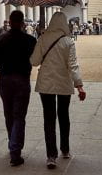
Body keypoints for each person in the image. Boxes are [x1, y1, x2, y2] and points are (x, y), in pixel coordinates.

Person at [30, 12, 84, 169]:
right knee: (63, 115)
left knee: (49, 118)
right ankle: (65, 149)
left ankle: (51, 156)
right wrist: (79, 85)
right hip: (63, 83)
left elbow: (34, 61)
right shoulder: (68, 41)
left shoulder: (42, 38)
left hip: (45, 84)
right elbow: (73, 65)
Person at [0, 10, 37, 167]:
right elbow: (35, 60)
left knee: (9, 114)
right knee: (19, 116)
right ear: (22, 23)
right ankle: (15, 150)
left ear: (9, 21)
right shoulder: (30, 40)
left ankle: (12, 142)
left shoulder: (2, 39)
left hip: (5, 80)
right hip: (22, 80)